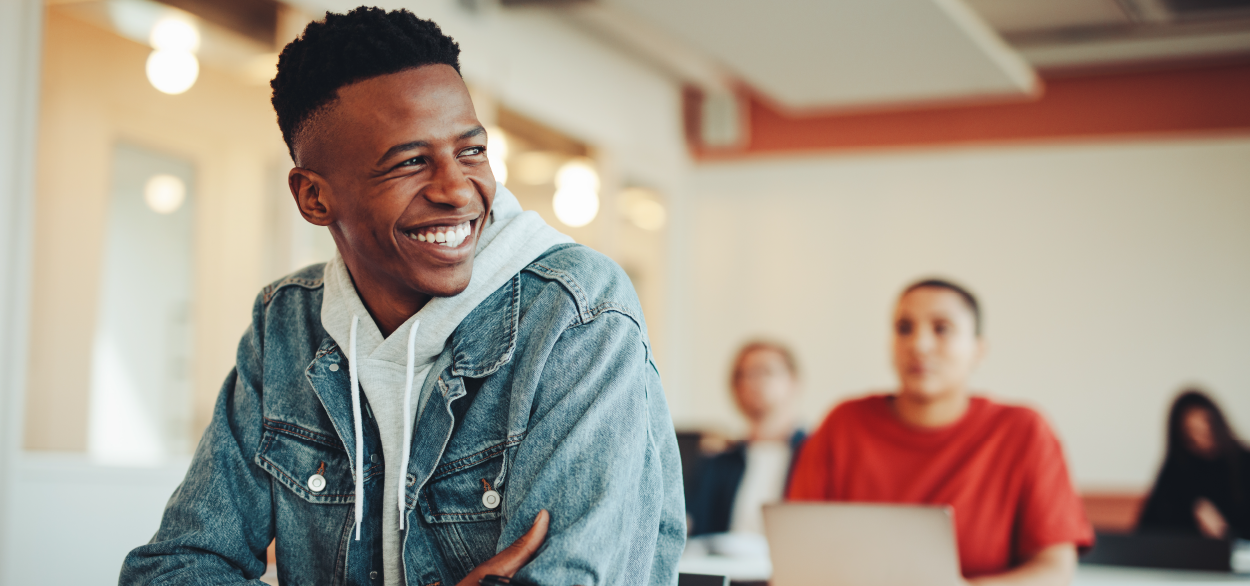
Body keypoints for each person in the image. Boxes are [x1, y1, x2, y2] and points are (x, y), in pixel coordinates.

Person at [120, 7, 684, 586]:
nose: (457, 190)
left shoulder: (576, 310)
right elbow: (170, 570)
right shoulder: (287, 323)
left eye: (471, 152)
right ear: (314, 198)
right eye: (411, 162)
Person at [788, 279, 1093, 586]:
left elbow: (1055, 571)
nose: (918, 345)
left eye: (942, 328)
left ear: (978, 350)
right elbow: (795, 556)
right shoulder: (843, 424)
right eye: (904, 328)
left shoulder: (1024, 431)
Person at [688, 341, 806, 538]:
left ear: (793, 382)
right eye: (742, 375)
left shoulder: (816, 455)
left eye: (764, 372)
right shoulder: (718, 461)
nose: (751, 382)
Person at [1137, 389, 1250, 539]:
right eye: (1192, 433)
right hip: (1185, 558)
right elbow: (1147, 531)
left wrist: (1224, 532)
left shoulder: (1243, 463)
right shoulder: (1176, 469)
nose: (1202, 439)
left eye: (1206, 429)